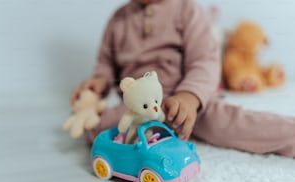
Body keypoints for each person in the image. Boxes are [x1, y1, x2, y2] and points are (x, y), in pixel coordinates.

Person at [71, 0, 295, 157]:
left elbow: (205, 61)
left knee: (230, 124)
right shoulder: (118, 20)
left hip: (185, 100)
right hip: (139, 109)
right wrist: (98, 83)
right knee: (95, 131)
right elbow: (106, 65)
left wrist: (190, 97)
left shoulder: (187, 9)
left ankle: (290, 134)